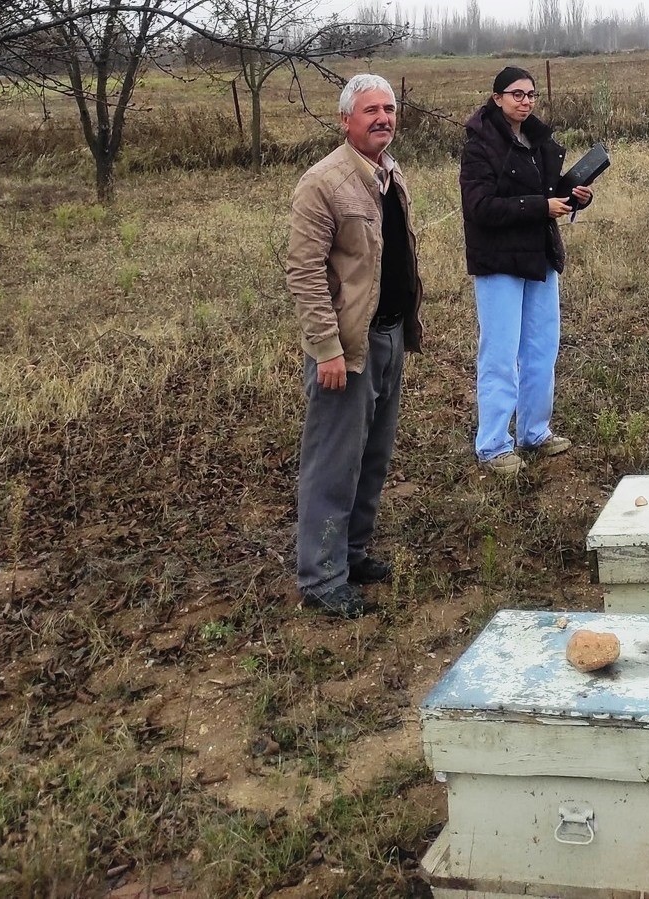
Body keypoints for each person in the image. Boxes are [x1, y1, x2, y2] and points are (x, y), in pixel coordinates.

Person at [286, 73, 424, 618]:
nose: (383, 118)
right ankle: (321, 576)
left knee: (373, 457)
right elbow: (304, 273)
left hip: (389, 335)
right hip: (348, 348)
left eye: (389, 108)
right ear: (346, 119)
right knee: (333, 463)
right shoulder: (322, 183)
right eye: (371, 110)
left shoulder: (389, 175)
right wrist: (327, 350)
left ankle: (354, 553)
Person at [459, 66, 593, 475]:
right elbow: (479, 208)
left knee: (541, 347)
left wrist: (574, 196)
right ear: (497, 97)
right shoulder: (480, 146)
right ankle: (493, 445)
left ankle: (534, 431)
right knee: (500, 353)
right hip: (499, 261)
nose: (525, 101)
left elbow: (549, 194)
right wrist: (540, 207)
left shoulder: (539, 141)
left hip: (540, 256)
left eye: (531, 95)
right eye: (517, 94)